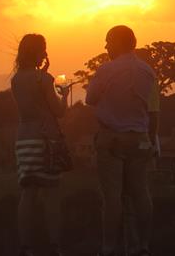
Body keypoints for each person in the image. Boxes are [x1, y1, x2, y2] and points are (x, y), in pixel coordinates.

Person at [86, 25, 159, 256]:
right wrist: (151, 140)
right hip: (139, 139)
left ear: (118, 43)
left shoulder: (106, 70)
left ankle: (109, 248)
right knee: (141, 193)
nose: (106, 46)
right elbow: (153, 111)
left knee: (112, 197)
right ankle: (143, 246)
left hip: (111, 139)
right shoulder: (148, 72)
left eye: (108, 41)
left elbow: (90, 99)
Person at [11, 34, 70, 256]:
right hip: (46, 140)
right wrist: (64, 95)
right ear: (39, 51)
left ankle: (26, 247)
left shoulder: (16, 79)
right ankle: (54, 246)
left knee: (28, 194)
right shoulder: (44, 80)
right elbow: (59, 112)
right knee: (52, 195)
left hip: (24, 140)